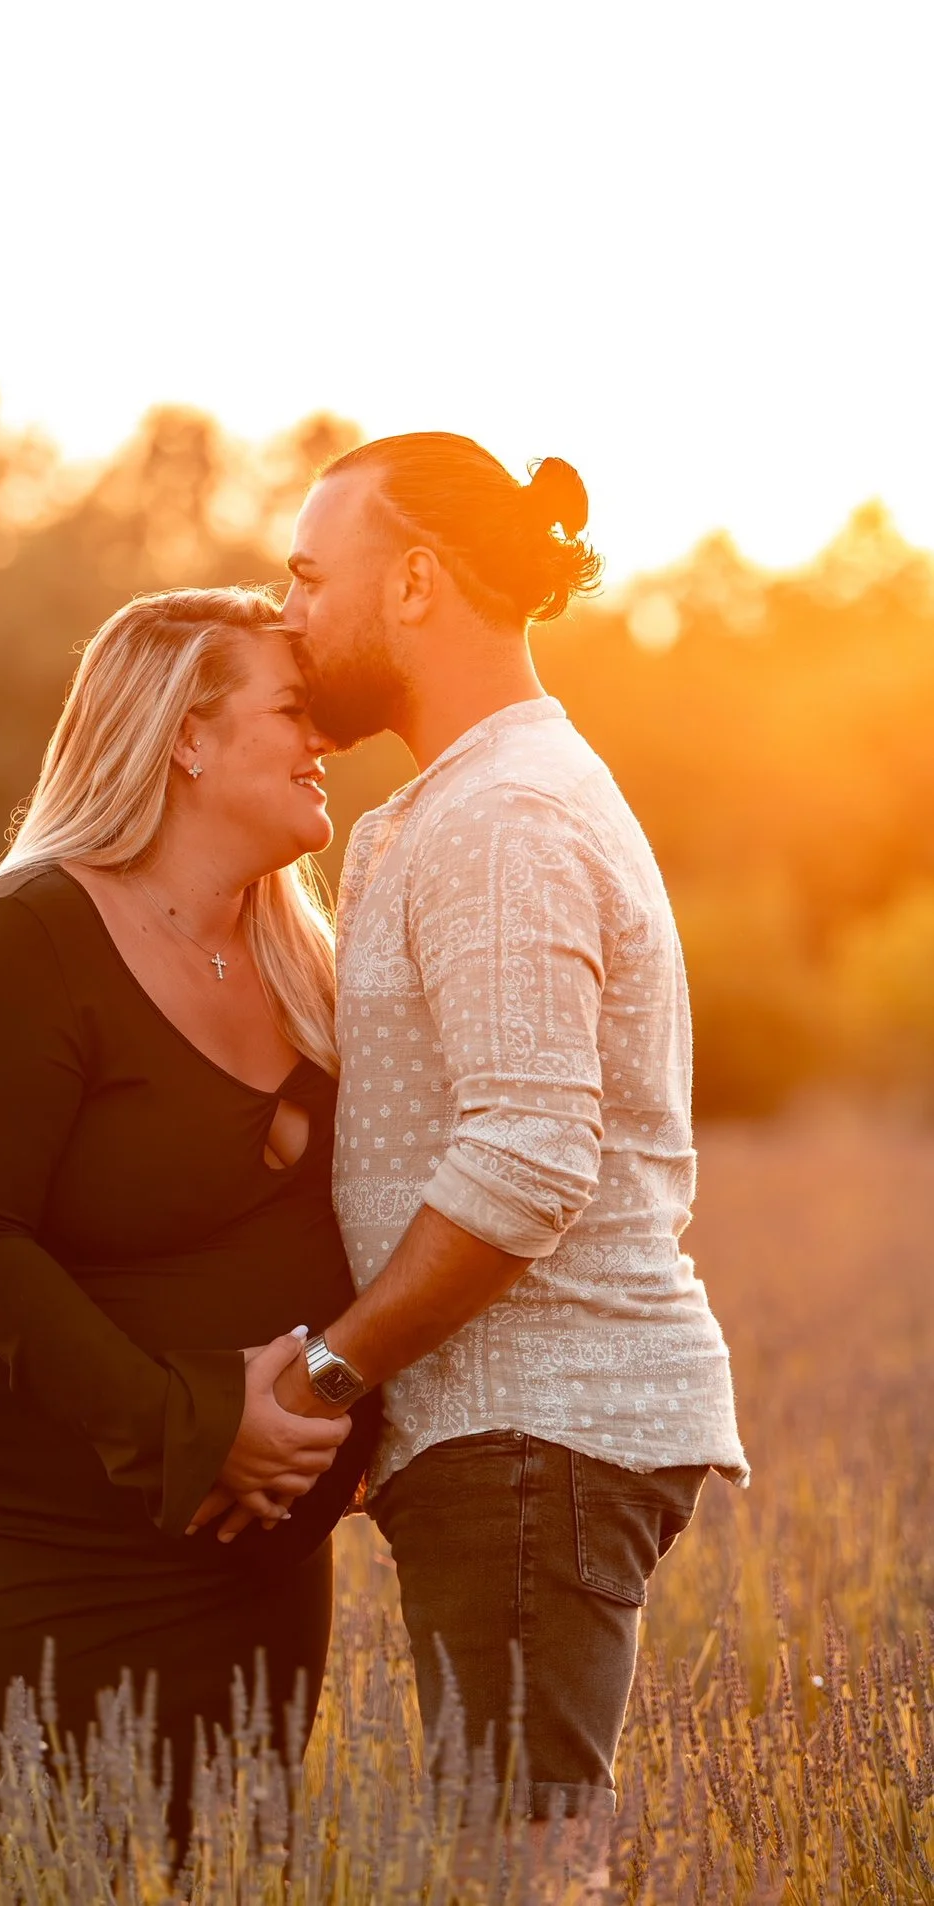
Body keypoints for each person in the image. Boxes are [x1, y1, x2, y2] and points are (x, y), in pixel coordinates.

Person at [191, 434, 748, 1874]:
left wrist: (328, 1373)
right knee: (514, 1843)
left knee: (524, 1855)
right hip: (499, 1429)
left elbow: (526, 1158)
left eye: (312, 575)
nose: (289, 609)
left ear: (418, 580)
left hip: (536, 1425)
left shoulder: (503, 818)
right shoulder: (442, 810)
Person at [0, 585, 381, 1851]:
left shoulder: (311, 958)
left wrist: (320, 1427)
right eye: (293, 711)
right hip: (33, 1519)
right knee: (22, 1860)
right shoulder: (26, 937)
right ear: (186, 737)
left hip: (248, 1544)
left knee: (221, 1863)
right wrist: (199, 1429)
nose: (324, 744)